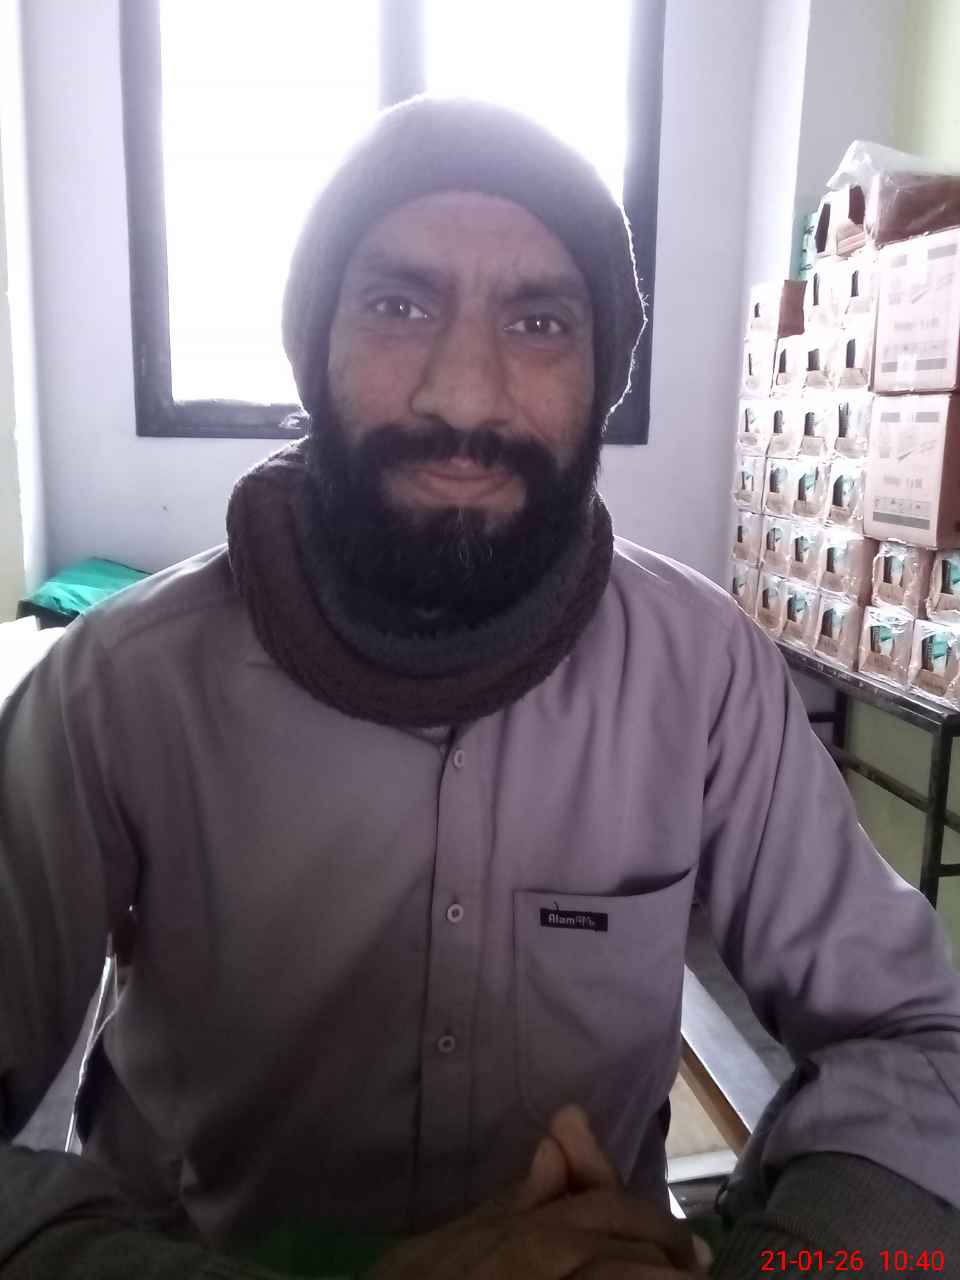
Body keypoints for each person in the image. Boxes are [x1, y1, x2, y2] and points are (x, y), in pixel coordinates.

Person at [1, 94, 959, 1280]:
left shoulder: (702, 674)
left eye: (540, 321)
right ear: (312, 349)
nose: (464, 395)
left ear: (603, 376)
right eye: (397, 305)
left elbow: (917, 1038)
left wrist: (793, 1260)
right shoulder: (118, 690)